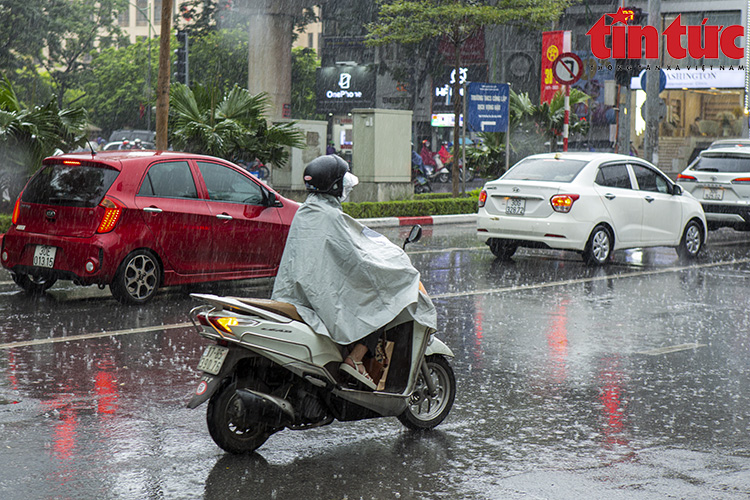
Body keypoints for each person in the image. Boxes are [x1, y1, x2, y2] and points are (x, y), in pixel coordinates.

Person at [271, 155, 436, 390]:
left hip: (298, 292)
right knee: (381, 302)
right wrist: (390, 264)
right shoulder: (330, 216)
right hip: (318, 296)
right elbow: (357, 259)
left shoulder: (306, 212)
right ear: (336, 185)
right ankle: (356, 358)